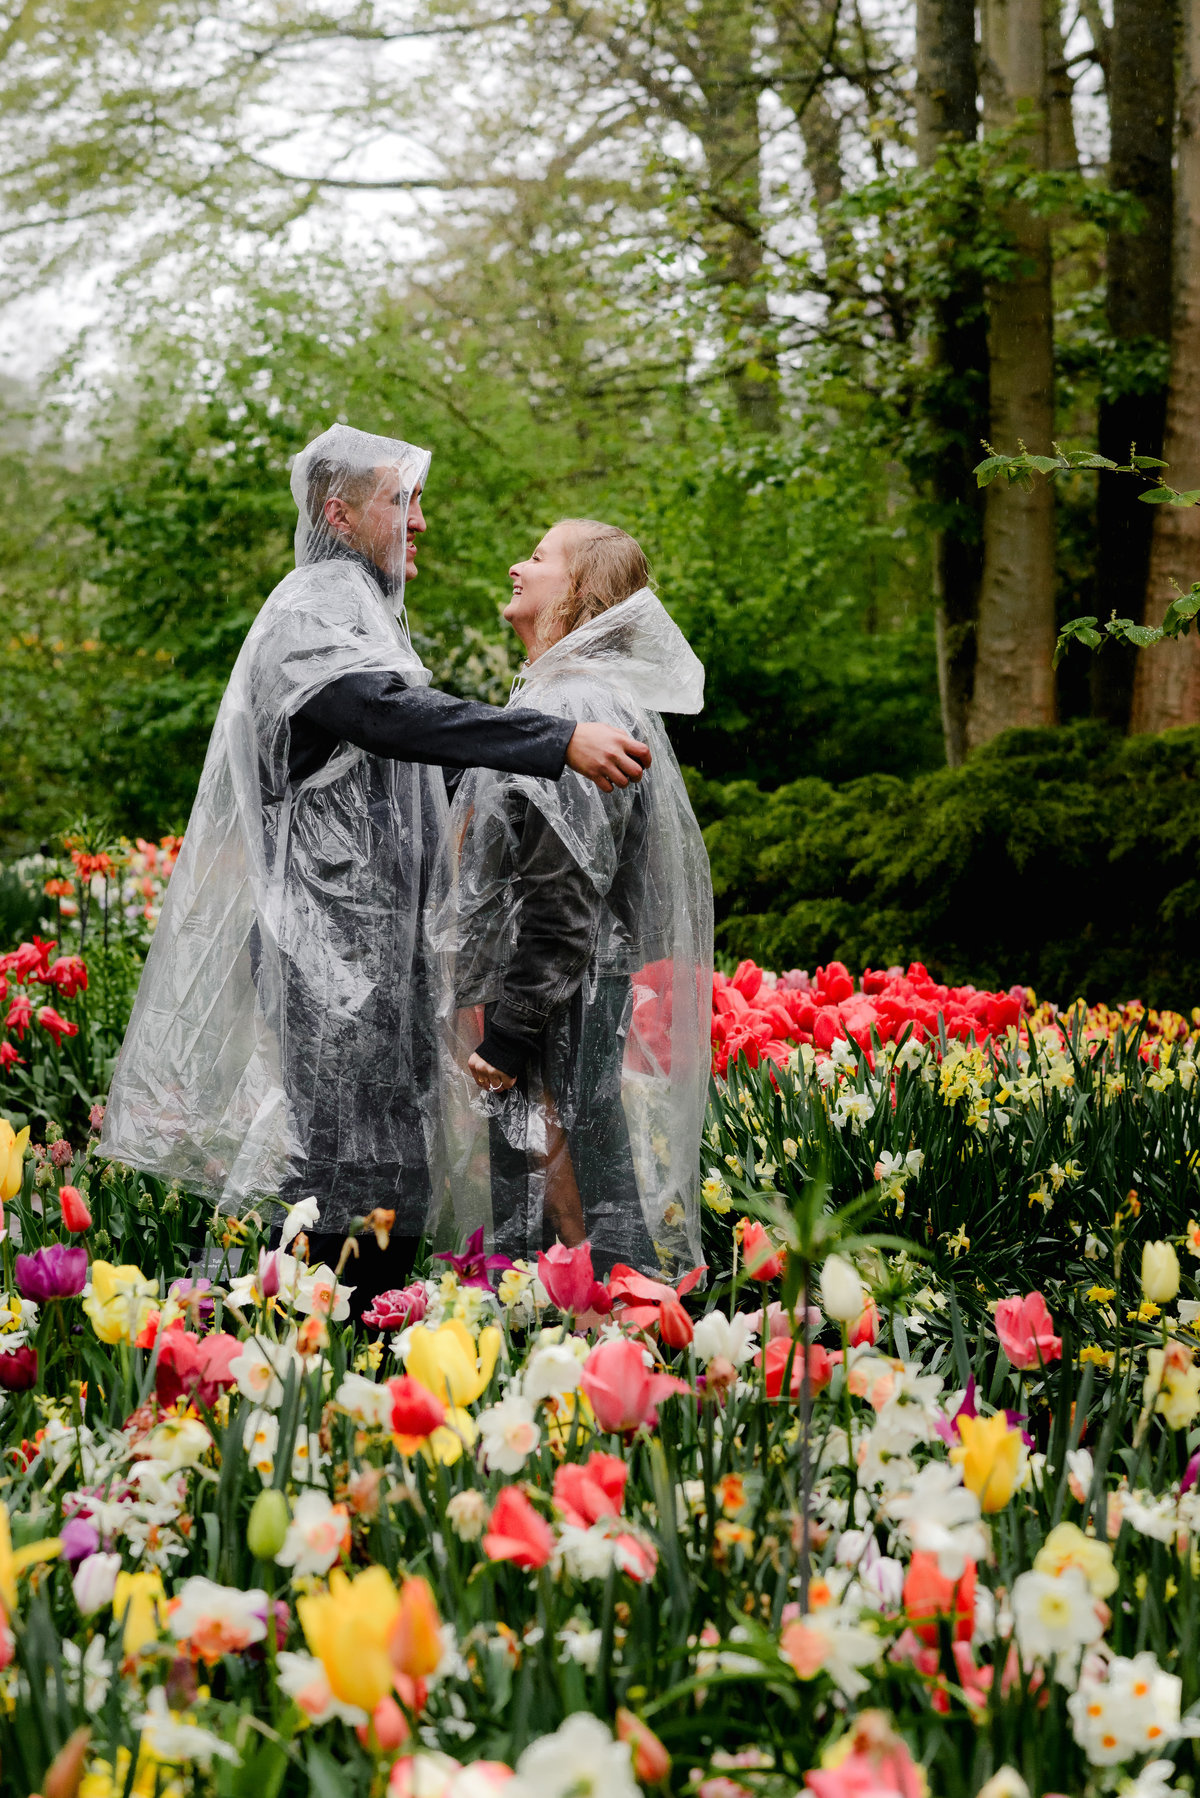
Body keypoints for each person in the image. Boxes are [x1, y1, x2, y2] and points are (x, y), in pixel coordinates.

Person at [100, 427, 651, 1316]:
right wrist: (555, 742)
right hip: (329, 964)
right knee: (347, 1182)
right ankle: (282, 1351)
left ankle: (334, 1349)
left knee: (385, 1175)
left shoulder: (357, 609)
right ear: (340, 512)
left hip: (369, 962)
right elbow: (389, 714)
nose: (421, 522)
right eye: (405, 501)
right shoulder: (313, 607)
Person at [427, 520, 713, 1279]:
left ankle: (625, 1353)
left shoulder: (580, 703)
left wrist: (511, 1033)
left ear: (579, 593)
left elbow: (566, 895)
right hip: (552, 999)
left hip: (557, 1004)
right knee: (561, 1191)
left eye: (539, 556)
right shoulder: (562, 696)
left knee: (576, 1197)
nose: (518, 565)